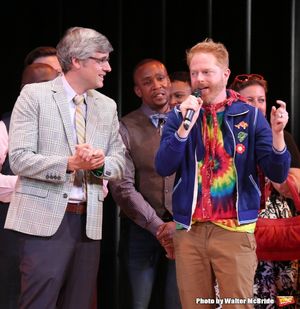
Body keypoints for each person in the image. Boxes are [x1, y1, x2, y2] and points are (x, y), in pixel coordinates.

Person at [155, 38, 291, 309]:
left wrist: (277, 136)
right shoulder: (178, 115)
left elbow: (278, 171)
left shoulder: (250, 116)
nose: (199, 79)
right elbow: (163, 166)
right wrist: (183, 128)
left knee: (236, 305)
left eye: (207, 72)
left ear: (225, 74)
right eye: (194, 73)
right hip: (190, 231)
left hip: (234, 229)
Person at [5, 26, 125, 309]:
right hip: (44, 222)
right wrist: (70, 164)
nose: (108, 67)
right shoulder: (34, 96)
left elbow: (119, 163)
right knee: (39, 302)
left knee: (80, 303)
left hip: (88, 223)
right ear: (76, 61)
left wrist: (99, 164)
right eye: (101, 59)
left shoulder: (106, 106)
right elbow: (19, 159)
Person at [109, 58, 181, 309]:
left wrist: (178, 223)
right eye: (147, 82)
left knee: (178, 302)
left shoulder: (188, 122)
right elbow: (122, 186)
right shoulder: (124, 126)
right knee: (137, 302)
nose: (157, 85)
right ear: (138, 91)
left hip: (183, 228)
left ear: (169, 82)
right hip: (140, 229)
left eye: (161, 78)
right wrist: (158, 227)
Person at [229, 73, 300, 308]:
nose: (257, 105)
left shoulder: (283, 136)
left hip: (281, 226)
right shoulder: (226, 135)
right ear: (236, 102)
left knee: (285, 293)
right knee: (249, 291)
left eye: (261, 99)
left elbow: (292, 183)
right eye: (250, 100)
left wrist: (277, 135)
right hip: (241, 222)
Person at [0, 62, 59, 309]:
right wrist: (33, 185)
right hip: (17, 231)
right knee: (18, 296)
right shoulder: (5, 125)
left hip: (61, 228)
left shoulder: (68, 126)